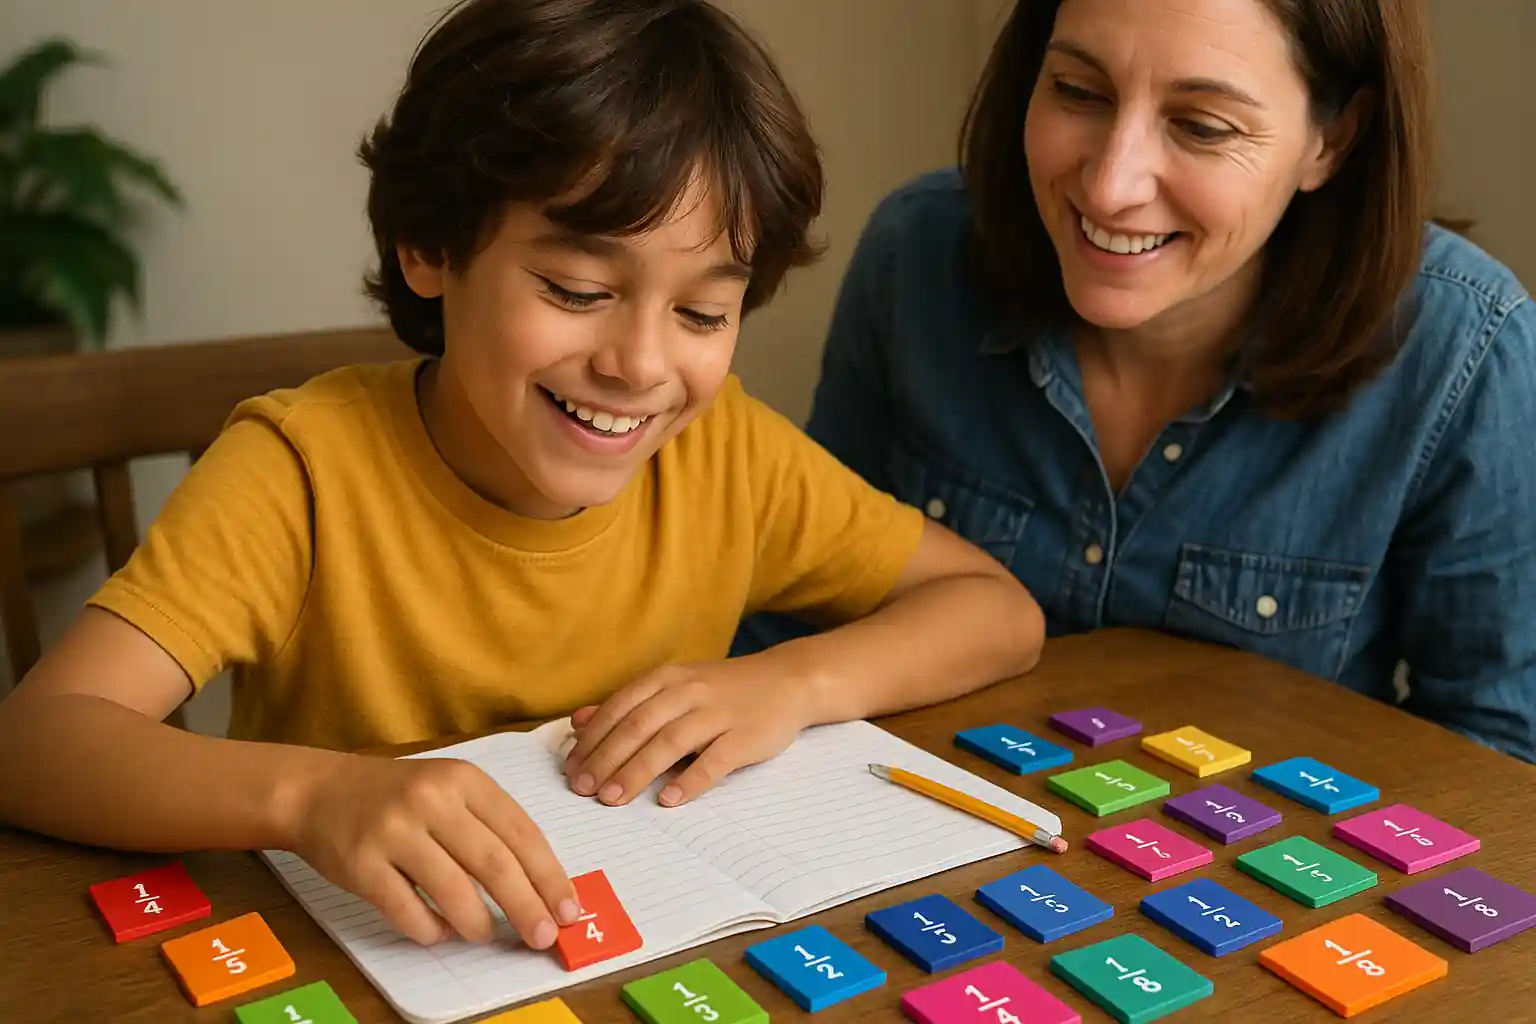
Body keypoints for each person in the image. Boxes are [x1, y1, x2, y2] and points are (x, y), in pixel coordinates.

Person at [0, 0, 1046, 953]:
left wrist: (792, 681)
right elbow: (39, 740)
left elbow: (996, 610)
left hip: (637, 955)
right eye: (577, 286)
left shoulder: (726, 450)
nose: (639, 364)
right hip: (350, 961)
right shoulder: (300, 472)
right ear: (429, 246)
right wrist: (311, 794)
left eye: (701, 313)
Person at [736, 0, 1536, 763]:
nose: (1112, 184)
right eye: (1077, 91)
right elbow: (806, 604)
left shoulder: (1466, 349)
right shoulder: (915, 256)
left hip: (1254, 884)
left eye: (1201, 126)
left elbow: (1494, 757)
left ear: (1331, 140)